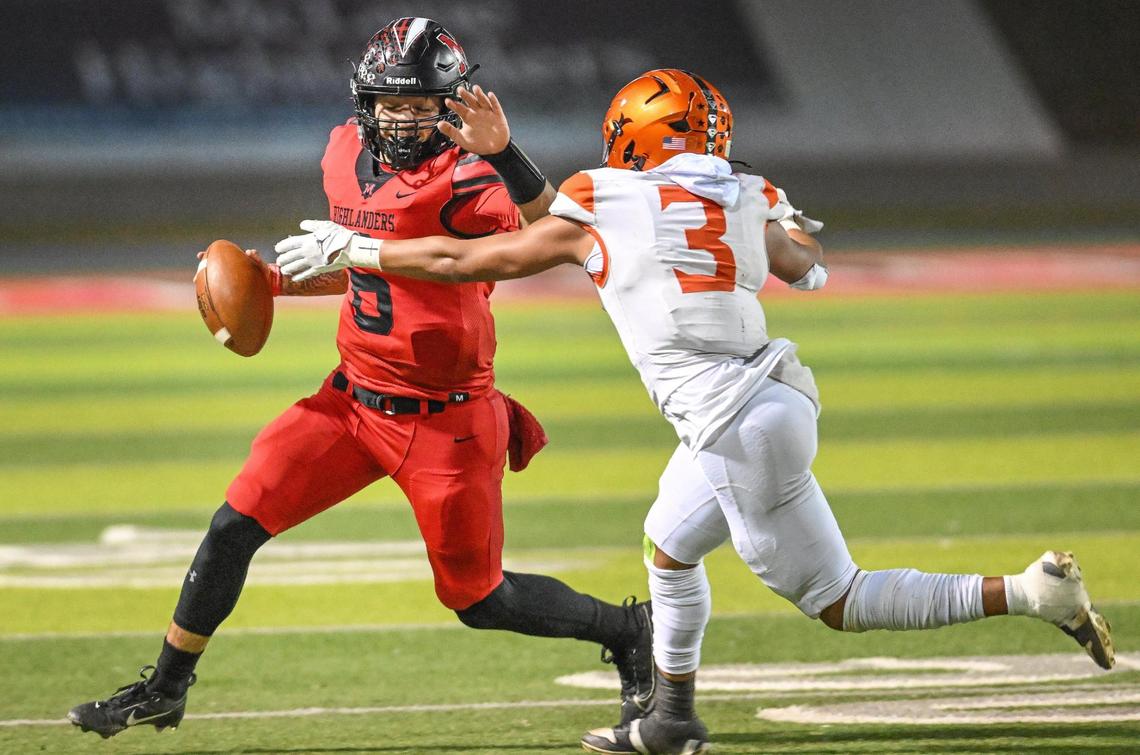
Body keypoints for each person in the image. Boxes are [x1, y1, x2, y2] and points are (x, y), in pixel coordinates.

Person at [274, 68, 1118, 755]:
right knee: (668, 547)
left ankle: (1029, 592)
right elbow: (808, 266)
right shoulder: (746, 192)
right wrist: (766, 211)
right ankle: (671, 718)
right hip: (774, 394)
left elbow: (471, 258)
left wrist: (359, 249)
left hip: (732, 424)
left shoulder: (602, 195)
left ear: (632, 138)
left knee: (837, 597)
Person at [67, 17, 654, 740]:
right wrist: (278, 281)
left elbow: (558, 230)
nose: (404, 120)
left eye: (421, 106)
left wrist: (507, 155)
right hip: (349, 402)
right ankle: (165, 684)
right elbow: (359, 266)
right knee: (233, 526)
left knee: (479, 598)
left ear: (453, 107)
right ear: (363, 102)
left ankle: (628, 629)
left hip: (447, 421)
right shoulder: (344, 152)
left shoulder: (469, 173)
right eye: (391, 104)